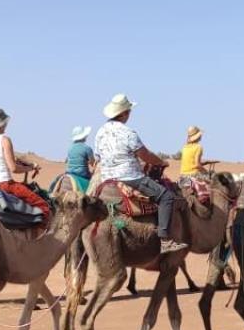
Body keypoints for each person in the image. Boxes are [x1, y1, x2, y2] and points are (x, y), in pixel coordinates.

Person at [93, 94, 185, 254]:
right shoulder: (128, 132)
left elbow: (98, 158)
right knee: (167, 197)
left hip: (106, 179)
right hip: (130, 177)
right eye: (128, 111)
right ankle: (165, 240)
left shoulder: (99, 133)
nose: (129, 114)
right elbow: (145, 155)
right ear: (123, 114)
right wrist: (160, 162)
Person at [0, 108, 50, 221]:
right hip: (3, 184)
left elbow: (4, 158)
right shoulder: (4, 140)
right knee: (44, 206)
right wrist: (30, 168)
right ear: (1, 124)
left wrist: (28, 164)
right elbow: (13, 168)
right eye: (5, 123)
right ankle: (40, 237)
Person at [65, 125, 96, 193]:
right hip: (82, 174)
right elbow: (93, 163)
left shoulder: (70, 148)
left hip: (69, 173)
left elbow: (67, 160)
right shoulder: (87, 148)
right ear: (83, 136)